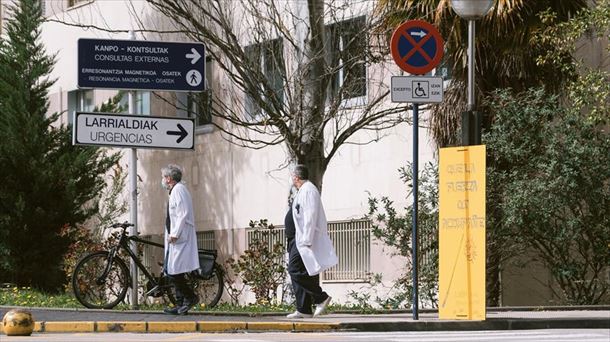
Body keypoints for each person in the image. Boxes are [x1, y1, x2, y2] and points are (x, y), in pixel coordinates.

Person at [285, 164, 338, 318]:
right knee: (304, 272)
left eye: (292, 176)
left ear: (296, 177)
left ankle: (321, 297)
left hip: (302, 239)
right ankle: (303, 309)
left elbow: (310, 215)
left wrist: (306, 240)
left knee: (294, 270)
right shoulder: (304, 190)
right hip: (297, 238)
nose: (291, 179)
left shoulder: (308, 190)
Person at [161, 164, 200, 315]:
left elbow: (183, 213)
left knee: (174, 271)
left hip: (179, 237)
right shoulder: (175, 191)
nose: (163, 180)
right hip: (175, 238)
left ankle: (190, 298)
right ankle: (179, 304)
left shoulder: (179, 190)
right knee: (172, 270)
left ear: (169, 178)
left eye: (164, 177)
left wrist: (175, 233)